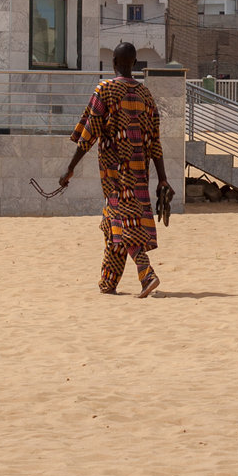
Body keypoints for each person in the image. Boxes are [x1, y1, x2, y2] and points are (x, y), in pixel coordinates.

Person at [60, 41, 170, 296]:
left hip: (115, 175)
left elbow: (88, 135)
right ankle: (108, 283)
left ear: (113, 63)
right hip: (140, 175)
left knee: (121, 224)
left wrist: (70, 168)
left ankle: (146, 273)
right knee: (113, 224)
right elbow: (155, 142)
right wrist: (162, 179)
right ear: (134, 63)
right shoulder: (146, 95)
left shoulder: (105, 90)